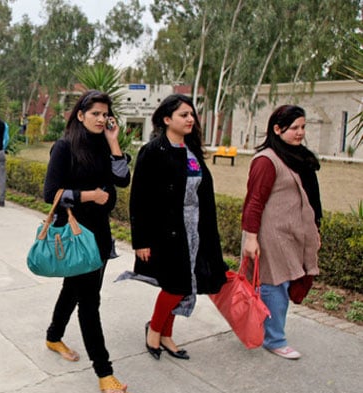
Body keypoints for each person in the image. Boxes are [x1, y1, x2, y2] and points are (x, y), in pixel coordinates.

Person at [42, 91, 131, 393]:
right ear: (80, 115)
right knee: (89, 301)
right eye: (94, 113)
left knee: (74, 290)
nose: (101, 118)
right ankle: (104, 372)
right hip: (75, 235)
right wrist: (89, 195)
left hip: (100, 236)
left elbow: (123, 179)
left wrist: (114, 141)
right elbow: (50, 193)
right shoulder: (65, 147)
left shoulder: (105, 145)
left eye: (105, 114)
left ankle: (54, 337)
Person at [129, 94, 227, 362]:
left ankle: (165, 334)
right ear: (166, 119)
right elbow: (139, 199)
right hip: (167, 231)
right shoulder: (152, 151)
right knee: (175, 285)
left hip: (195, 230)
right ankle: (155, 330)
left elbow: (203, 195)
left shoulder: (192, 151)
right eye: (184, 115)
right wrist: (141, 241)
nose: (190, 119)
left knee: (184, 284)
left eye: (192, 115)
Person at [241, 105, 321, 360]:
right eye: (294, 128)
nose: (300, 133)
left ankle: (264, 330)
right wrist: (251, 238)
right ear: (277, 129)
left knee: (283, 284)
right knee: (275, 285)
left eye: (303, 127)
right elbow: (254, 202)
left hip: (292, 235)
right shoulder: (267, 160)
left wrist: (314, 230)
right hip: (271, 236)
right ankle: (274, 339)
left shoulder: (296, 157)